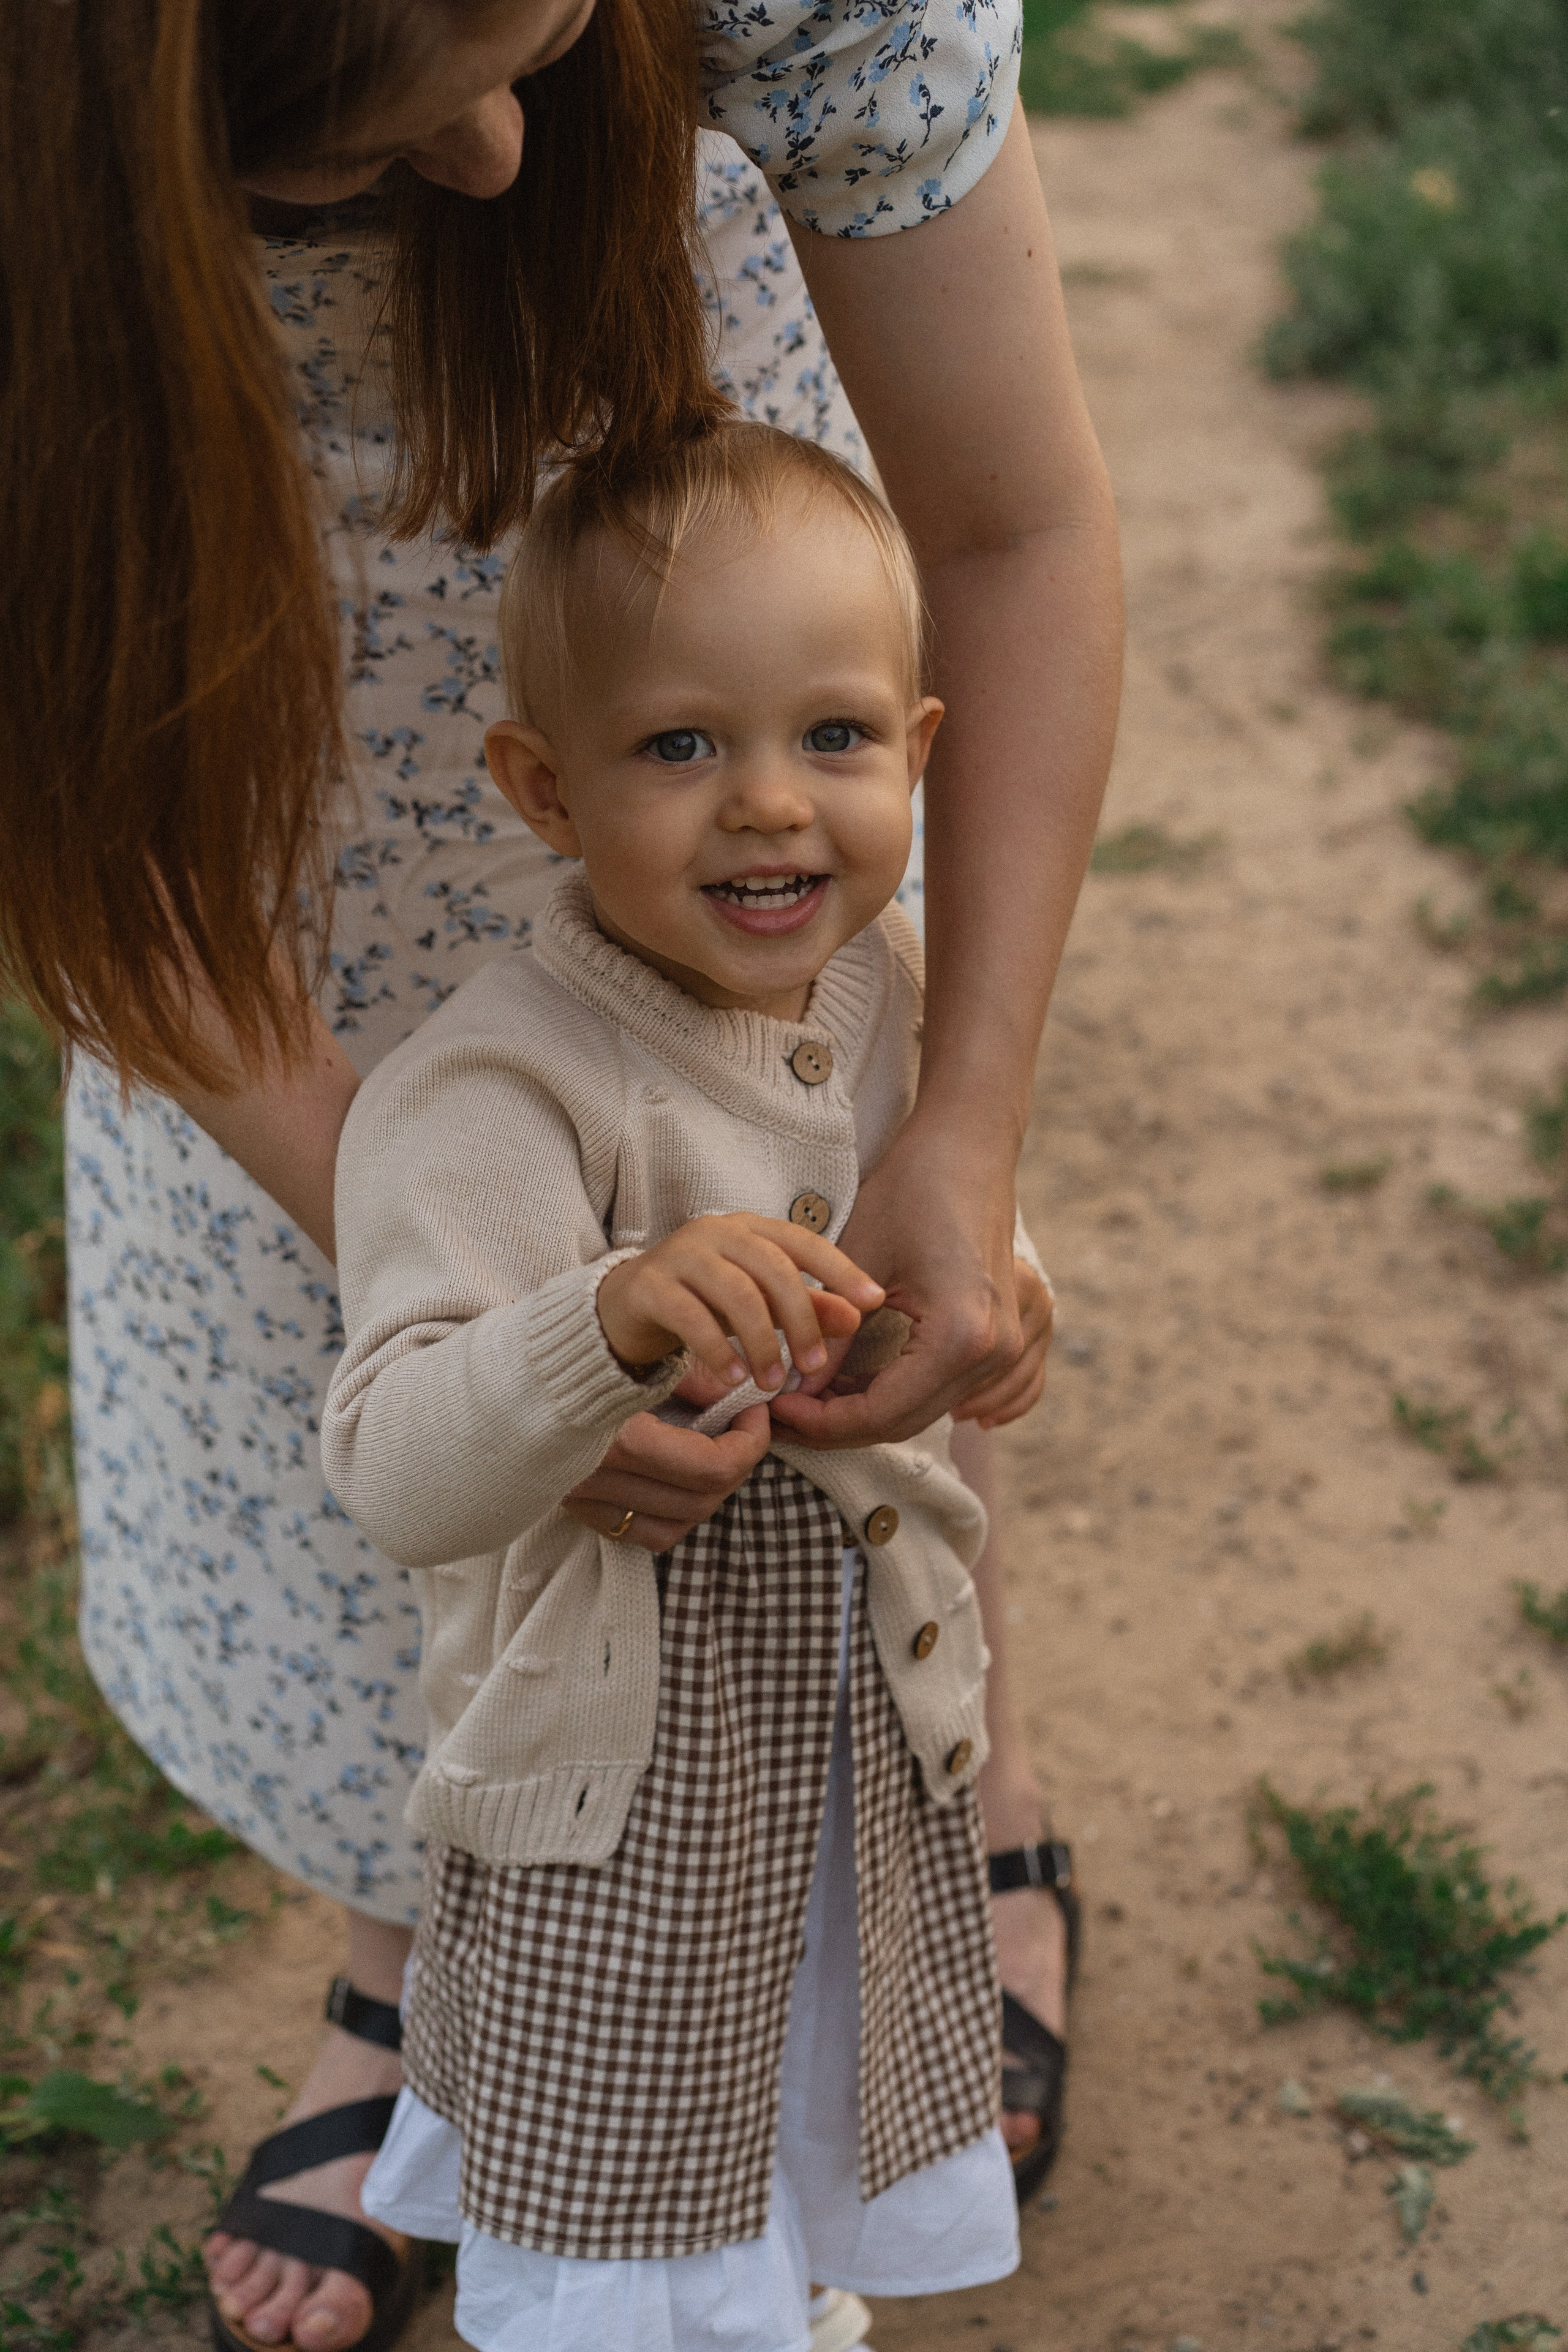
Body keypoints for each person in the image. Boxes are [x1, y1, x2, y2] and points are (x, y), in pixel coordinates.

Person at [2, 2, 1120, 2345]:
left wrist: (964, 1133)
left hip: (684, 598)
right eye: (358, 138)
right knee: (449, 1611)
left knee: (839, 1502)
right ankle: (444, 1982)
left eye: (550, 26)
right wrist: (481, 1289)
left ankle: (949, 1827)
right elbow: (49, 760)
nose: (508, 150)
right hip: (253, 819)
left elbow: (1012, 524)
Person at [320, 420, 1031, 2352]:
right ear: (543, 789)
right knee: (626, 2186)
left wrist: (1002, 1293)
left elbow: (921, 1231)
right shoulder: (498, 1088)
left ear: (923, 751)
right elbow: (395, 1462)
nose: (770, 809)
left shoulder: (874, 992)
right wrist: (611, 1316)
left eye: (835, 737)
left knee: (797, 2080)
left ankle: (784, 2302)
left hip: (829, 1740)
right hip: (611, 1797)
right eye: (679, 747)